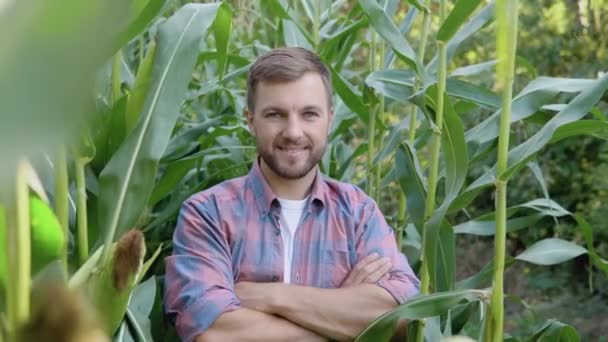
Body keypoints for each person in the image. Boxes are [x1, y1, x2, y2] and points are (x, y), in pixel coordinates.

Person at [164, 47, 420, 342]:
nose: (294, 131)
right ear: (250, 120)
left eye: (309, 114)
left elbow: (403, 317)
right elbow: (213, 334)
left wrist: (273, 296)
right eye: (275, 114)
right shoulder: (208, 213)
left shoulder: (358, 213)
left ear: (330, 119)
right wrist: (342, 318)